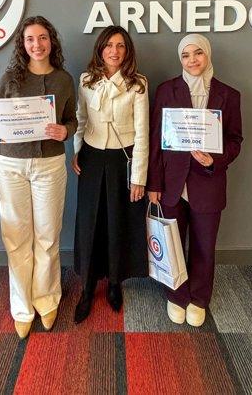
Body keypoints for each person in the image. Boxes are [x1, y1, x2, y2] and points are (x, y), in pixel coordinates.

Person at [0, 16, 77, 339]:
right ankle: (22, 307)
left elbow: (73, 120)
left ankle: (46, 299)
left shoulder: (64, 80)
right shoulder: (10, 79)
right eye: (30, 39)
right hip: (11, 168)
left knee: (48, 237)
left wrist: (65, 131)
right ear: (22, 44)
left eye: (43, 37)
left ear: (51, 41)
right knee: (16, 239)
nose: (37, 44)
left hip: (50, 166)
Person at [147, 34, 243, 327]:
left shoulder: (229, 95)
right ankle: (176, 295)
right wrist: (154, 184)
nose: (192, 60)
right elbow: (155, 140)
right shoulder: (167, 90)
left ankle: (199, 298)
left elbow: (235, 140)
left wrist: (215, 160)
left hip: (208, 183)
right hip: (171, 183)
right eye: (186, 55)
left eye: (198, 53)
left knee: (204, 245)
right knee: (172, 242)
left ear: (208, 54)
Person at [71, 25, 149, 323]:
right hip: (91, 157)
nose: (114, 51)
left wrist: (139, 176)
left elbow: (142, 133)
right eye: (108, 45)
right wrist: (76, 150)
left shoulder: (138, 84)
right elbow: (80, 118)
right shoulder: (86, 80)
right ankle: (87, 286)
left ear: (127, 51)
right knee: (89, 222)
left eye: (120, 46)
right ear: (100, 49)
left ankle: (115, 282)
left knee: (117, 222)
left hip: (123, 159)